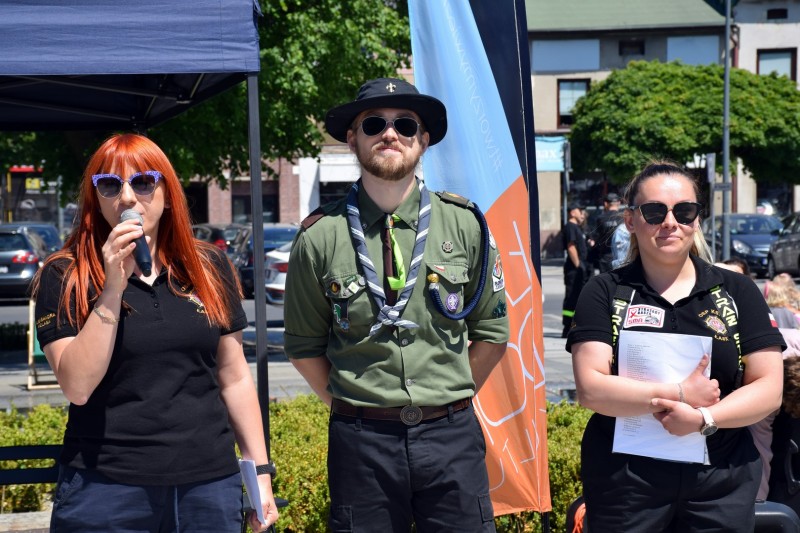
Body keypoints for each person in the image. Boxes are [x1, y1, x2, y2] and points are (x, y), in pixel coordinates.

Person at [283, 77, 509, 532]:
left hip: (451, 438)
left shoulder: (465, 224)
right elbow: (304, 346)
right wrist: (356, 405)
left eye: (405, 125)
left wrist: (448, 396)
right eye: (374, 125)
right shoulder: (319, 237)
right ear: (352, 139)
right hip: (361, 444)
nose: (390, 134)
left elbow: (492, 331)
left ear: (423, 140)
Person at [31, 134, 277, 532]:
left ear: (168, 194)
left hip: (208, 486)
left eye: (143, 182)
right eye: (110, 185)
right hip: (106, 489)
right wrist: (112, 287)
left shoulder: (208, 265)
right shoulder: (66, 273)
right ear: (96, 198)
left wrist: (260, 473)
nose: (128, 197)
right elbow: (77, 386)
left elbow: (233, 377)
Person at [567, 161, 785, 531]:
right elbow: (591, 388)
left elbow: (769, 387)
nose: (670, 222)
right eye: (654, 212)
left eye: (684, 211)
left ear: (697, 220)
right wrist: (680, 393)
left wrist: (703, 419)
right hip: (626, 482)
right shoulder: (604, 291)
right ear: (630, 220)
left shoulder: (737, 291)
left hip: (720, 480)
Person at [562, 202, 590, 337]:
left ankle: (575, 325)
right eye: (580, 210)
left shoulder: (577, 227)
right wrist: (578, 265)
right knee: (571, 297)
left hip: (580, 267)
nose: (581, 213)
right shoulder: (570, 227)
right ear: (573, 212)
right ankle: (567, 327)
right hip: (574, 269)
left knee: (578, 296)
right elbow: (571, 247)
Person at [590, 192, 623, 273]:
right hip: (622, 257)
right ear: (619, 203)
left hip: (605, 258)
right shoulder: (623, 218)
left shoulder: (600, 219)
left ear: (605, 204)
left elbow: (594, 238)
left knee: (605, 280)